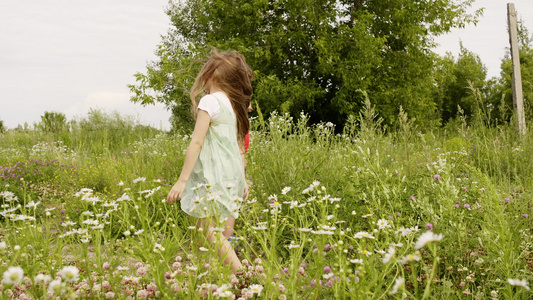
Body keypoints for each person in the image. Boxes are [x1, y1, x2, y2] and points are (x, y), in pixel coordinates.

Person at [166, 50, 253, 272]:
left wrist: (182, 181)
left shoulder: (210, 101)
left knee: (209, 231)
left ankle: (242, 277)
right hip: (231, 175)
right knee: (220, 234)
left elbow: (196, 143)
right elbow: (238, 147)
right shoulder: (233, 107)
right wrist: (242, 180)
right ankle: (216, 276)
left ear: (212, 74)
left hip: (212, 176)